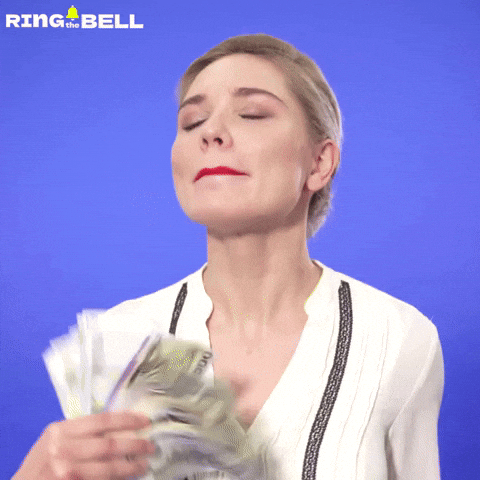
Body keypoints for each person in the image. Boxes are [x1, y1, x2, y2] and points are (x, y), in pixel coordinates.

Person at [13, 33, 444, 480]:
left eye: (252, 114)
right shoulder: (121, 340)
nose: (210, 132)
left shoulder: (397, 339)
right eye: (192, 121)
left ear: (319, 163)